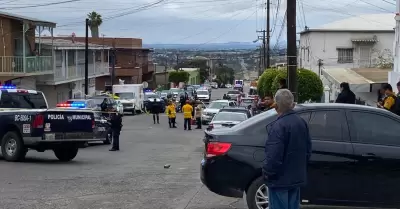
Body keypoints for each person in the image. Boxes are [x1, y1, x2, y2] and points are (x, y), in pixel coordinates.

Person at [263, 89, 311, 209]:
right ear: (292, 104)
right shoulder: (301, 123)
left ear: (276, 105)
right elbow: (308, 150)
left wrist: (267, 173)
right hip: (295, 178)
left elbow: (273, 156)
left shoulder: (278, 126)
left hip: (279, 181)